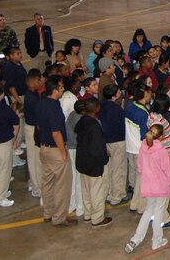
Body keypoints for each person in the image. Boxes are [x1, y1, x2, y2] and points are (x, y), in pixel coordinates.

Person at [125, 124, 170, 253]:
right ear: (161, 137)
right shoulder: (161, 151)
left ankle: (135, 239)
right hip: (161, 186)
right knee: (158, 212)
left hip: (148, 185)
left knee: (148, 211)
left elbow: (140, 167)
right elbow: (169, 171)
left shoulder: (143, 147)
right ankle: (157, 240)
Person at [37, 76, 75, 226]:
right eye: (61, 87)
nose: (63, 89)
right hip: (55, 149)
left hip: (44, 148)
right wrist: (63, 152)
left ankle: (48, 212)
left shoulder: (41, 104)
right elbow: (56, 132)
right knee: (62, 185)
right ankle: (59, 217)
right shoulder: (54, 107)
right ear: (55, 90)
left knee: (47, 183)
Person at [75, 98, 112, 227]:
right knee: (97, 192)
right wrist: (104, 159)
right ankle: (97, 218)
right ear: (96, 109)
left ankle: (88, 214)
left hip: (82, 161)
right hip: (93, 164)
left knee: (86, 191)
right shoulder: (94, 126)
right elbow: (97, 149)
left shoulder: (81, 122)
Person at [99, 84, 127, 206]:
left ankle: (109, 194)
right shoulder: (116, 109)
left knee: (109, 168)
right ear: (114, 95)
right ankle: (118, 195)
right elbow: (121, 125)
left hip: (106, 140)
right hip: (117, 140)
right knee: (118, 168)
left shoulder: (102, 106)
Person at [125, 83, 151, 214]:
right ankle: (141, 206)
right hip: (139, 148)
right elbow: (144, 135)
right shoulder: (142, 113)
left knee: (137, 178)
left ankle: (134, 204)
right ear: (145, 95)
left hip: (130, 146)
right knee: (142, 179)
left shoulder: (130, 106)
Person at [24, 70, 44, 198]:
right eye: (38, 80)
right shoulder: (32, 97)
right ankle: (37, 186)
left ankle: (34, 181)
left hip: (33, 127)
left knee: (35, 157)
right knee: (35, 158)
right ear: (32, 82)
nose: (40, 82)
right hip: (32, 129)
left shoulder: (33, 94)